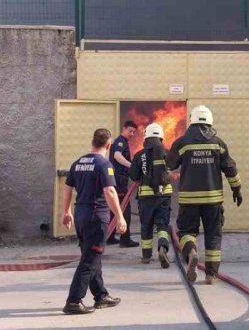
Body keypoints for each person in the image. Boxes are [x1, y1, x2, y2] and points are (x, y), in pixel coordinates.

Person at [166, 105, 242, 285]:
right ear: (209, 121)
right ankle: (211, 275)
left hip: (188, 198)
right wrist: (236, 188)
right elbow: (230, 168)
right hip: (213, 199)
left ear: (192, 120)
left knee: (186, 231)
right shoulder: (218, 143)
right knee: (213, 235)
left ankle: (191, 251)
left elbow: (170, 163)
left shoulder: (182, 143)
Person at [61, 128, 128, 315]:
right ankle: (74, 300)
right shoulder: (104, 164)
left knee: (92, 256)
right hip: (96, 216)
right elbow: (110, 191)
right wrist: (120, 217)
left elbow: (67, 189)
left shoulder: (78, 162)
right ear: (108, 145)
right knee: (90, 258)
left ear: (93, 142)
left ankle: (100, 295)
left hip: (81, 214)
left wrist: (66, 212)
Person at [128, 123, 173, 268]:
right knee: (162, 224)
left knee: (146, 225)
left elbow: (134, 176)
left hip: (146, 197)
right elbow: (171, 171)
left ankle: (146, 256)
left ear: (146, 137)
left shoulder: (139, 154)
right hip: (164, 195)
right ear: (161, 137)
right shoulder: (167, 152)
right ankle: (162, 247)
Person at [109, 121, 139, 248]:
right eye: (130, 131)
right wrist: (132, 166)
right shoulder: (120, 141)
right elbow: (117, 156)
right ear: (124, 128)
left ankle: (109, 237)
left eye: (133, 132)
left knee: (113, 207)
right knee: (124, 208)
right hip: (119, 180)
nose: (132, 134)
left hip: (117, 179)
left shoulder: (122, 142)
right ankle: (125, 239)